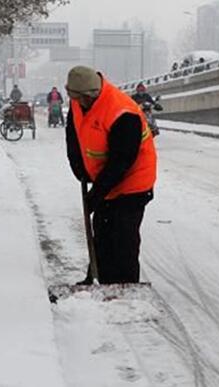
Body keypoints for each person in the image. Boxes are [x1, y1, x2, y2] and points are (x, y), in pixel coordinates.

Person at [64, 65, 157, 285]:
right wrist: (78, 166)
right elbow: (73, 134)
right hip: (106, 177)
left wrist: (96, 193)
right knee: (102, 231)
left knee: (123, 235)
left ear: (90, 95)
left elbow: (122, 160)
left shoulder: (123, 112)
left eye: (78, 99)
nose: (75, 102)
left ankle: (125, 286)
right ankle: (98, 279)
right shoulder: (79, 102)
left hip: (134, 179)